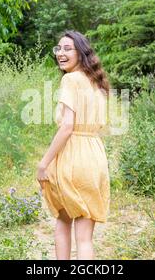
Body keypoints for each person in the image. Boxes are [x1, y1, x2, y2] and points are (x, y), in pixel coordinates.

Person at [36, 30, 111, 260]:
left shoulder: (70, 80)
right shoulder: (96, 82)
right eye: (58, 49)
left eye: (67, 48)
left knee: (63, 220)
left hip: (74, 157)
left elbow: (67, 126)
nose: (61, 53)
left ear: (81, 52)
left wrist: (44, 163)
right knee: (85, 238)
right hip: (95, 156)